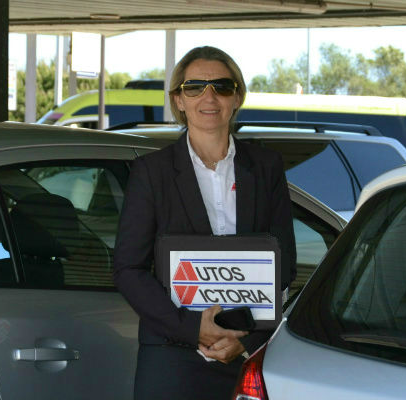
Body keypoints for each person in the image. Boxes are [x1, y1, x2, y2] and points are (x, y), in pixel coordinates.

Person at [113, 46, 297, 400]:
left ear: (237, 98)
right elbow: (128, 269)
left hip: (245, 354)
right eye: (194, 87)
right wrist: (193, 328)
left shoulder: (266, 167)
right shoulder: (152, 172)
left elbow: (284, 265)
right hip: (171, 356)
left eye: (222, 87)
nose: (209, 97)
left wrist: (249, 340)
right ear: (179, 100)